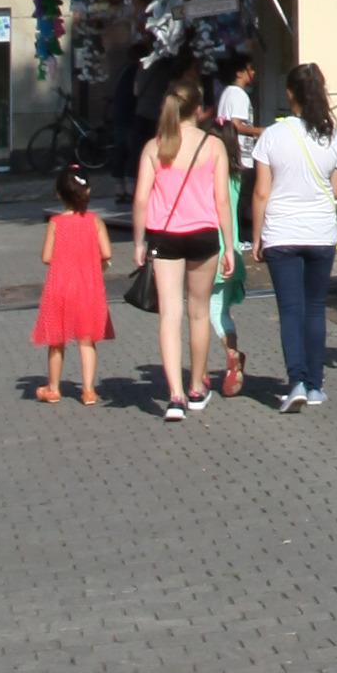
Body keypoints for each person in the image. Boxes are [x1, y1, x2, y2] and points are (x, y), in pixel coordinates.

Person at [131, 70, 230, 424]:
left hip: (164, 236)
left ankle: (173, 397)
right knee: (199, 312)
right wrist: (230, 246)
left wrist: (139, 241)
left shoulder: (154, 147)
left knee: (170, 314)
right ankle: (196, 387)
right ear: (200, 109)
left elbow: (141, 200)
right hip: (204, 234)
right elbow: (221, 202)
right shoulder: (213, 145)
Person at [249, 63, 337, 407]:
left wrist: (257, 236)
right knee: (315, 309)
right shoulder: (332, 133)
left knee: (290, 309)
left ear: (289, 93)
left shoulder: (272, 136)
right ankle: (316, 383)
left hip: (282, 232)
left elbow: (261, 192)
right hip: (321, 231)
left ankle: (296, 382)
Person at [28, 150, 112, 411]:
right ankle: (88, 390)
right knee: (87, 339)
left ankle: (53, 388)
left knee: (56, 340)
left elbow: (46, 256)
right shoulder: (94, 221)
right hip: (88, 287)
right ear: (87, 192)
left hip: (60, 286)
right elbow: (107, 252)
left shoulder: (55, 222)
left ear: (58, 194)